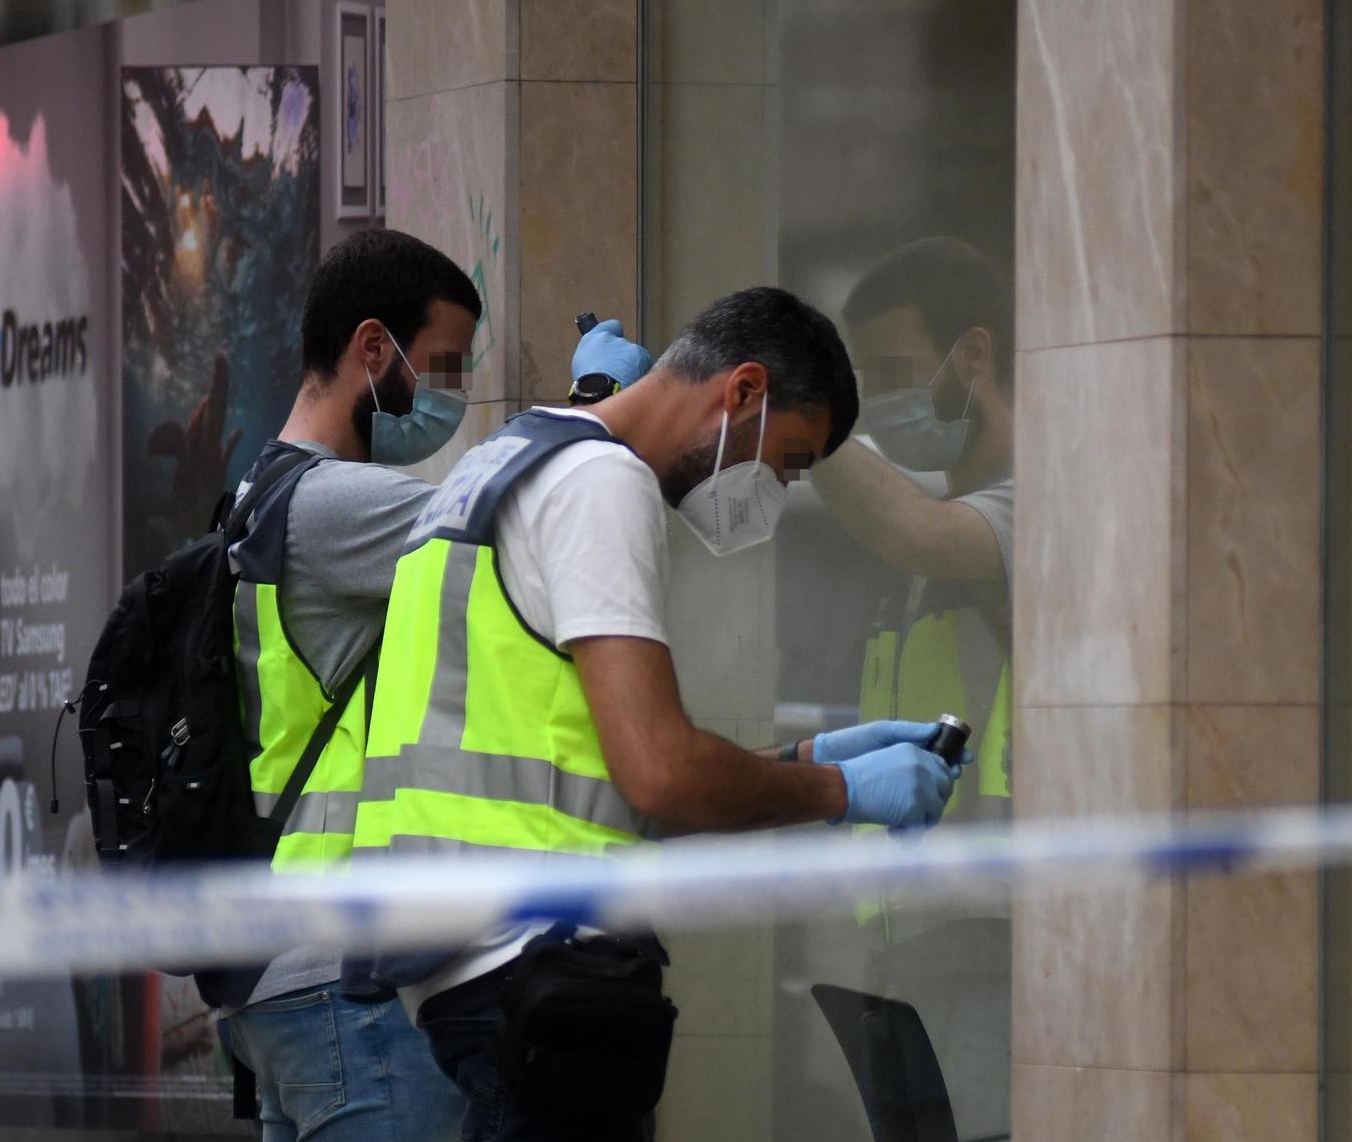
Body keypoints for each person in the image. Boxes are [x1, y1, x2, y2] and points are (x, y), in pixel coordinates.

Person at [348, 286, 965, 1141]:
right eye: (789, 458)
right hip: (536, 964)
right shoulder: (602, 482)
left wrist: (810, 758)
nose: (778, 489)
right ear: (743, 390)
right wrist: (841, 790)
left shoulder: (500, 462)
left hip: (477, 963)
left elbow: (600, 783)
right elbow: (661, 772)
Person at [213, 228, 483, 1141]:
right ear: (374, 347)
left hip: (276, 974)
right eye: (444, 365)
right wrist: (602, 419)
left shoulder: (254, 494)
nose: (452, 396)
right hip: (343, 983)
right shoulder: (336, 505)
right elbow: (522, 523)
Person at [804, 236, 1015, 1137]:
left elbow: (919, 531)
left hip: (990, 936)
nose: (879, 401)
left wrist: (803, 417)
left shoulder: (1037, 505)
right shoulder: (932, 531)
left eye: (892, 372)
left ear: (974, 356)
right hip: (903, 942)